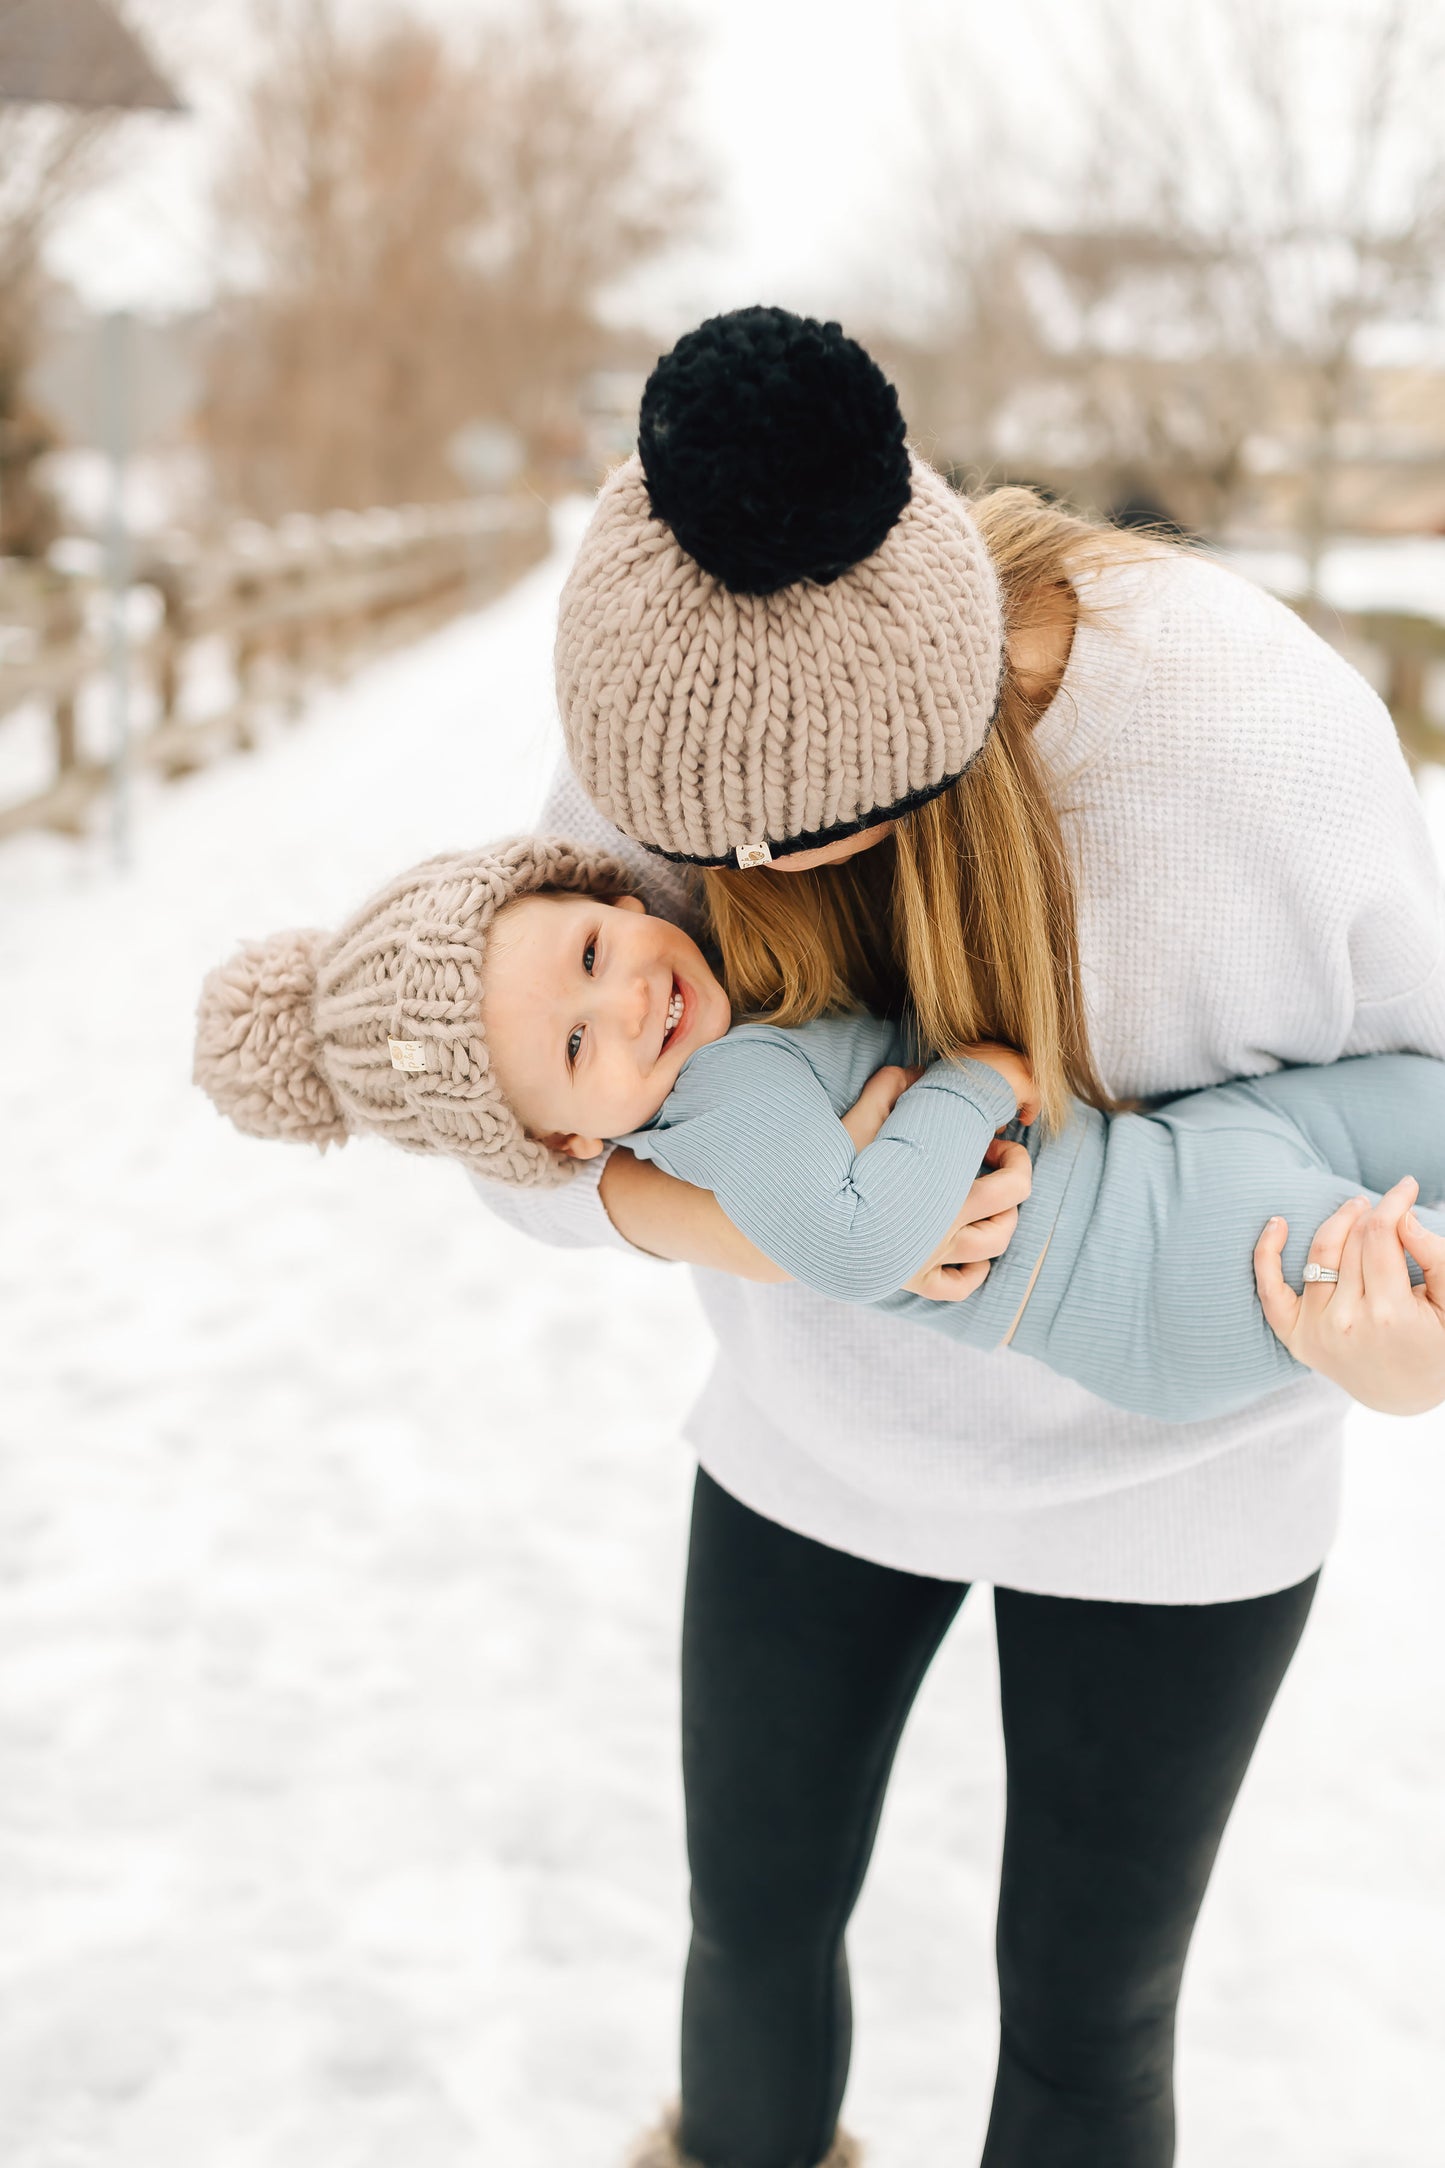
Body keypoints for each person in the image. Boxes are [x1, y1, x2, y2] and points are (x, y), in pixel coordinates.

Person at [469, 307, 1445, 2168]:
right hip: (815, 1453)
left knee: (1088, 2026)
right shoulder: (667, 698)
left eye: (796, 844)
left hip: (1185, 1483)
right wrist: (808, 1240)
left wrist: (1412, 1349)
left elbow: (1423, 1102)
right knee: (751, 1933)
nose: (722, 883)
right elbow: (508, 1130)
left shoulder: (1251, 727)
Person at [192, 840, 1445, 1432]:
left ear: (613, 891)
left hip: (1173, 1165)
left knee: (1406, 1105)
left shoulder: (716, 1043)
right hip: (1156, 1267)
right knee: (1391, 1258)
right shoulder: (719, 1107)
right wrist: (959, 1088)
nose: (625, 999)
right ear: (572, 1142)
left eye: (590, 950)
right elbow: (856, 1241)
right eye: (576, 1048)